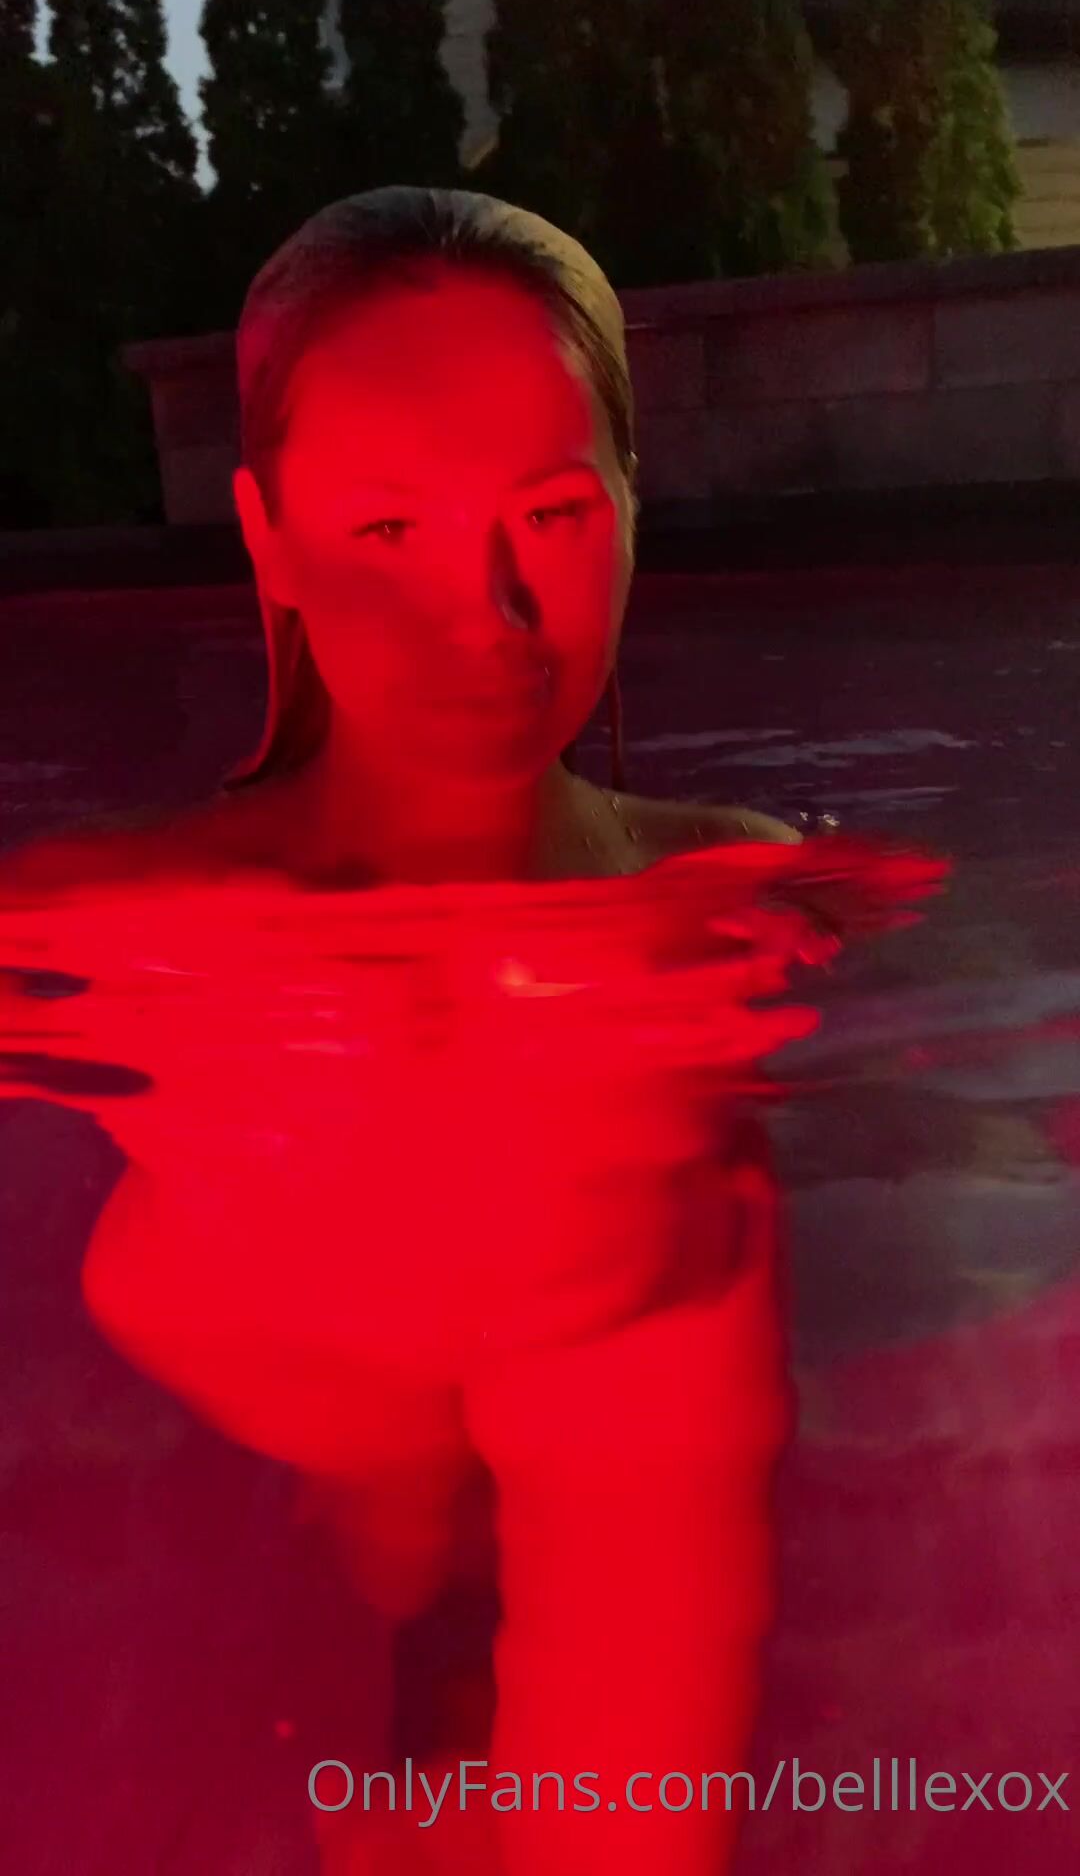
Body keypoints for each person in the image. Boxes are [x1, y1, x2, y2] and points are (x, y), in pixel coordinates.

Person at [0, 188, 940, 1876]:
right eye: (387, 528)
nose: (488, 612)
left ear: (634, 497)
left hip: (594, 1349)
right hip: (305, 1382)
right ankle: (408, 1530)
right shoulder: (126, 908)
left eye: (552, 513)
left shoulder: (741, 880)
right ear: (268, 540)